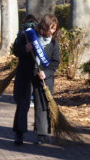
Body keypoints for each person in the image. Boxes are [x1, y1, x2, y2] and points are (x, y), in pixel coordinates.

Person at [12, 14, 61, 146]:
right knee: (23, 103)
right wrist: (25, 49)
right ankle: (19, 132)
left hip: (43, 77)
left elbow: (55, 62)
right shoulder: (28, 36)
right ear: (43, 27)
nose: (52, 32)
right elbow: (16, 51)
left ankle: (42, 133)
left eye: (54, 29)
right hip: (26, 74)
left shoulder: (54, 42)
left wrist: (46, 73)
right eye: (50, 28)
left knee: (43, 104)